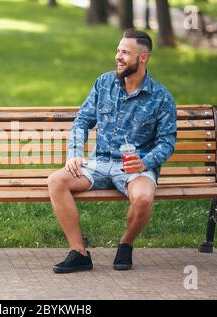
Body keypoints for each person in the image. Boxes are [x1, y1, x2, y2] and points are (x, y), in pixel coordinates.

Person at [47, 29, 177, 273]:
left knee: (143, 198)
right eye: (118, 50)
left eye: (125, 53)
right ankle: (79, 253)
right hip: (99, 162)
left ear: (143, 58)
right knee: (56, 181)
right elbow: (82, 121)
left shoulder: (161, 97)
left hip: (133, 168)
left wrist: (145, 162)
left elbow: (167, 142)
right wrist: (75, 152)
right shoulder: (104, 83)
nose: (118, 56)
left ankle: (125, 244)